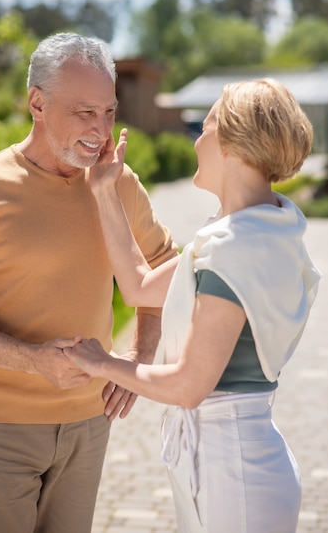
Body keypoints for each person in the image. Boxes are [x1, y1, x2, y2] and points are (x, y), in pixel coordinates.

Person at [0, 32, 178, 533]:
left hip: (90, 424)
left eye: (108, 111)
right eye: (84, 111)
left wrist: (141, 356)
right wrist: (35, 362)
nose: (100, 130)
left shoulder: (117, 181)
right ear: (37, 102)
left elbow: (166, 271)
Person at [64, 78, 322, 533]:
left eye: (205, 128)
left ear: (233, 142)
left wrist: (102, 363)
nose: (196, 141)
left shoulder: (234, 247)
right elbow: (141, 288)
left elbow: (187, 387)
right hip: (234, 464)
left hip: (231, 476)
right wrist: (106, 190)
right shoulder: (264, 227)